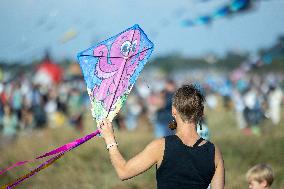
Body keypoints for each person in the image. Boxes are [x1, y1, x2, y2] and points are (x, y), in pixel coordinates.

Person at [99, 84, 225, 189]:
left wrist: (110, 139)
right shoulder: (214, 152)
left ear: (173, 110)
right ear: (201, 113)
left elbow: (124, 172)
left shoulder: (161, 146)